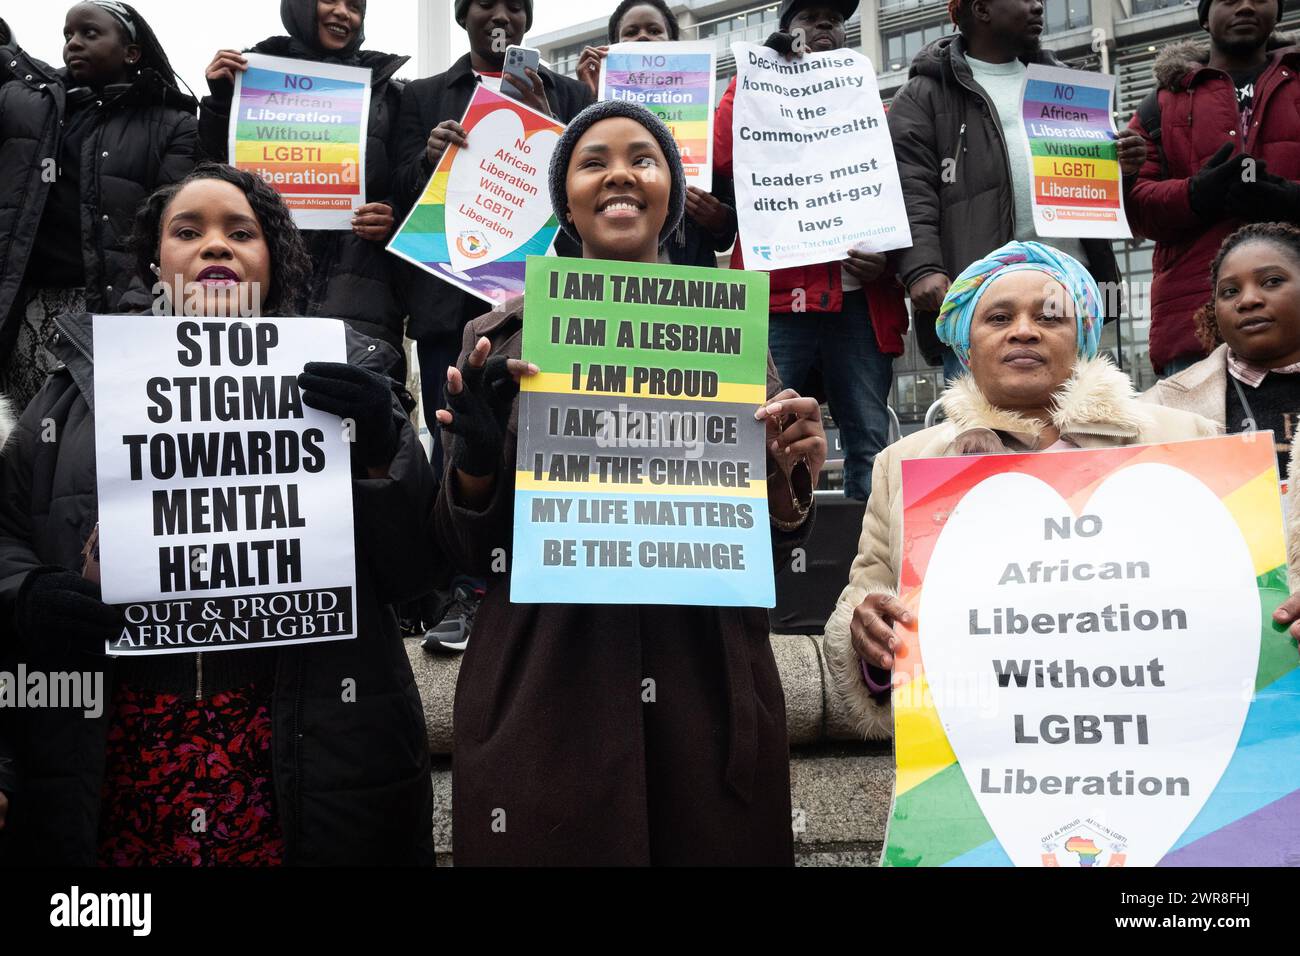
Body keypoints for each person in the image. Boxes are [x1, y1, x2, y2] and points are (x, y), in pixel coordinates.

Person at [0, 163, 437, 866]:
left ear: (274, 261)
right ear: (155, 261)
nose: (215, 247)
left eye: (241, 232)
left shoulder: (353, 375)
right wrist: (26, 595)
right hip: (124, 751)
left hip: (305, 743)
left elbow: (421, 571)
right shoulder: (73, 388)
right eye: (188, 231)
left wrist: (383, 455)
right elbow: (9, 533)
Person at [435, 101, 826, 864]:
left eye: (643, 158)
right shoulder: (495, 341)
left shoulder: (733, 337)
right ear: (568, 201)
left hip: (706, 687)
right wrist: (476, 462)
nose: (620, 172)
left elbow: (774, 552)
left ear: (671, 196)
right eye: (594, 161)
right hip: (550, 684)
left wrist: (788, 486)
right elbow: (462, 550)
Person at [820, 242, 1219, 738]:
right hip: (987, 758)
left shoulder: (1186, 440)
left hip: (1161, 736)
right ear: (966, 346)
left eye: (1051, 317)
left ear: (1084, 339)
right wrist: (868, 641)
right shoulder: (904, 465)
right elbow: (868, 597)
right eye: (999, 318)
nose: (1024, 330)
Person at [392, 0, 593, 651]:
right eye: (487, 1)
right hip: (447, 304)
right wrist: (429, 160)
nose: (501, 13)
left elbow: (587, 194)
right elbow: (392, 194)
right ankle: (459, 590)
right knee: (454, 437)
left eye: (515, 3)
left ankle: (535, 585)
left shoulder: (565, 92)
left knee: (542, 438)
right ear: (463, 14)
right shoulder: (423, 95)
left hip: (538, 306)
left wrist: (556, 122)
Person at [714, 0, 911, 503]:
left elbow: (904, 196)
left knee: (870, 440)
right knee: (756, 433)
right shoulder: (752, 92)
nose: (825, 23)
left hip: (862, 304)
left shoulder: (872, 108)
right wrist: (758, 73)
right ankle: (764, 553)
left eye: (835, 18)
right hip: (781, 301)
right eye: (810, 16)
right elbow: (720, 155)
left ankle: (870, 564)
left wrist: (887, 259)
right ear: (787, 32)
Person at [888, 0, 1142, 383]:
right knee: (989, 430)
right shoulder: (924, 94)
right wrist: (921, 268)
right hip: (979, 301)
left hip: (1068, 289)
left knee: (1077, 428)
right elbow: (910, 187)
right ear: (981, 9)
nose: (1039, 6)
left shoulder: (1066, 84)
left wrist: (1123, 170)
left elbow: (1098, 195)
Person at [0, 2, 198, 411]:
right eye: (68, 35)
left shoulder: (173, 124)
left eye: (90, 33)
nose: (74, 43)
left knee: (92, 441)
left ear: (131, 52)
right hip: (26, 309)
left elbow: (176, 224)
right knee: (24, 442)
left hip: (115, 312)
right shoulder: (30, 106)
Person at [198, 0, 416, 366]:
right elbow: (209, 179)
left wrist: (392, 215)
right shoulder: (247, 78)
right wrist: (221, 103)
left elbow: (409, 182)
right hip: (265, 283)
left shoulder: (389, 94)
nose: (344, 13)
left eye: (355, 6)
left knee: (359, 409)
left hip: (361, 287)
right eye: (330, 0)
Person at [1126, 0, 1300, 378]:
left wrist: (1289, 198)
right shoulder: (1161, 101)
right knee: (1193, 436)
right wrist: (1195, 195)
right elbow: (1136, 209)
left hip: (1294, 316)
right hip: (1193, 329)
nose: (1246, 6)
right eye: (1229, 0)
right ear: (1204, 16)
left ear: (1280, 10)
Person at [571, 0, 738, 269]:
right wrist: (589, 101)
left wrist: (716, 216)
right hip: (611, 280)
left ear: (672, 43)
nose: (643, 37)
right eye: (631, 32)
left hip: (689, 282)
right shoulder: (590, 112)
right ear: (612, 46)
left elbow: (727, 232)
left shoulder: (704, 119)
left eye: (654, 30)